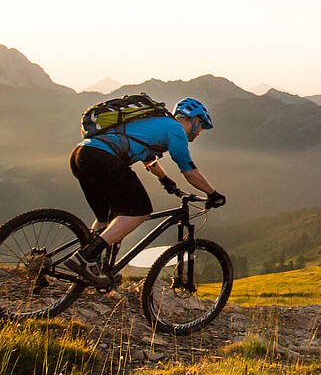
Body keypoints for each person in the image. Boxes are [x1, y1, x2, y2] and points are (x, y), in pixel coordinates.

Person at [64, 97, 225, 286]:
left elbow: (149, 159)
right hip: (103, 158)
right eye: (201, 126)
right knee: (139, 210)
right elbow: (189, 170)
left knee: (107, 217)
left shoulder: (156, 123)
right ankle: (87, 256)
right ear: (195, 120)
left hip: (82, 154)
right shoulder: (175, 129)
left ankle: (93, 267)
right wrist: (213, 194)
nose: (200, 132)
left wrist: (165, 181)